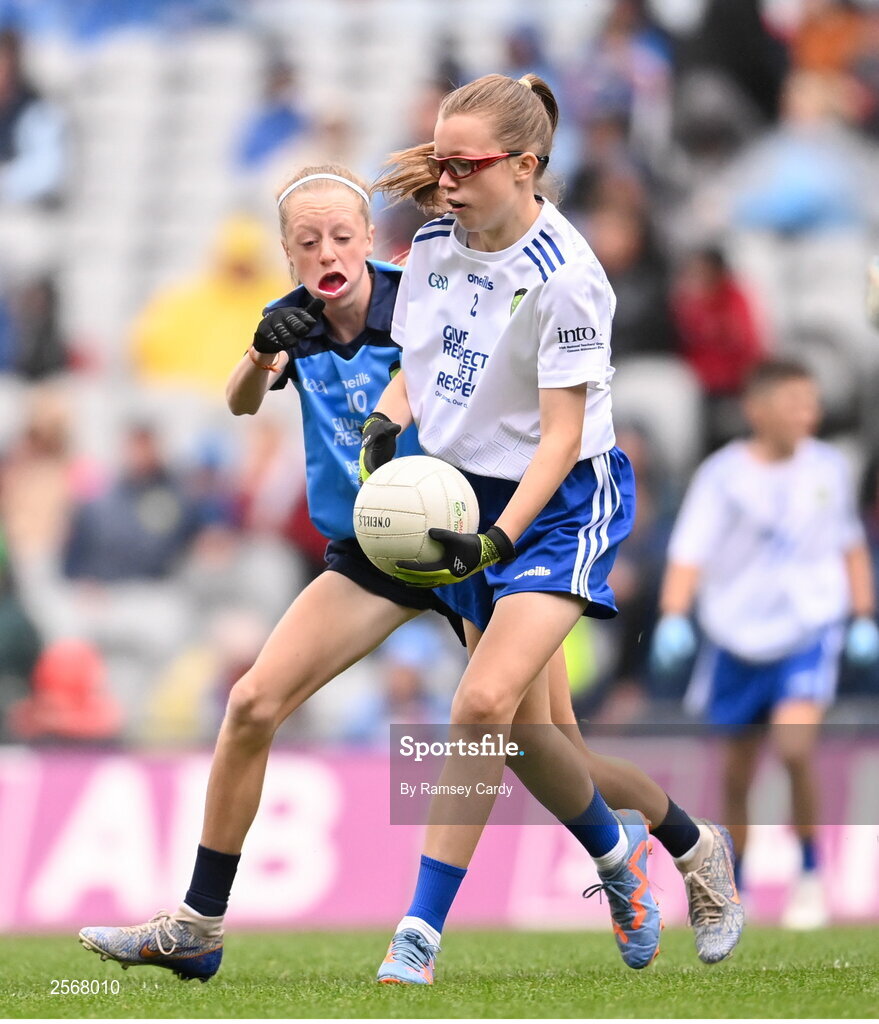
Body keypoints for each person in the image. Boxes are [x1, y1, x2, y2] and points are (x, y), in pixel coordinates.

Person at [78, 162, 738, 984]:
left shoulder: (421, 291)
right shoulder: (289, 322)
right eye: (308, 241)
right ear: (288, 254)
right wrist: (255, 359)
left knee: (537, 744)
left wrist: (398, 425)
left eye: (342, 236)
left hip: (463, 538)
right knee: (251, 702)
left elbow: (441, 373)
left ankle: (674, 844)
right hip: (372, 553)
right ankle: (199, 924)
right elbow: (243, 403)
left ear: (368, 241)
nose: (328, 251)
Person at [361, 72, 741, 985]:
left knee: (482, 708)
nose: (445, 182)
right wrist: (385, 418)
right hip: (460, 498)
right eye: (439, 163)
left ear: (526, 165)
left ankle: (418, 934)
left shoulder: (568, 277)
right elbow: (415, 368)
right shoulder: (430, 247)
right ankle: (667, 849)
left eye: (467, 166)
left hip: (558, 502)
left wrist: (498, 544)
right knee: (540, 745)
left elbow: (561, 438)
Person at [650, 358, 879, 930]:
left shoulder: (829, 468)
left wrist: (862, 616)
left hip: (806, 633)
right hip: (735, 640)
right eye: (796, 403)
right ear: (759, 409)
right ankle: (737, 888)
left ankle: (808, 876)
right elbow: (688, 555)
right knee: (735, 775)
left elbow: (850, 547)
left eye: (812, 403)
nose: (810, 414)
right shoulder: (722, 476)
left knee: (796, 748)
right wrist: (674, 617)